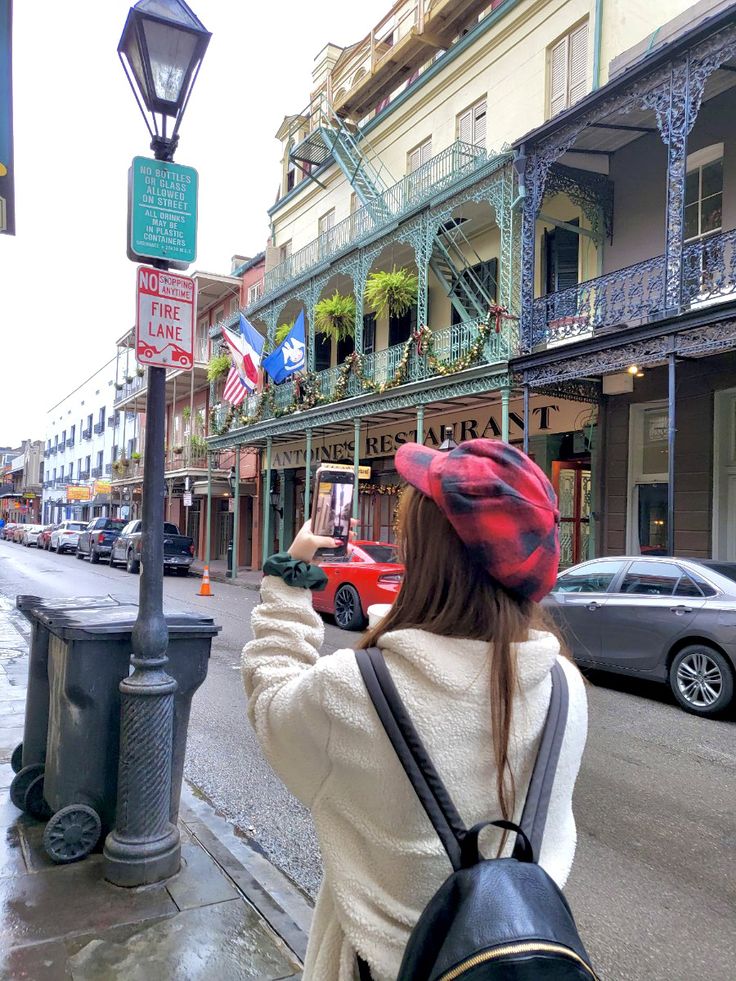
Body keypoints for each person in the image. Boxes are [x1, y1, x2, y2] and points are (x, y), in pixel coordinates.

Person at [242, 439, 588, 981]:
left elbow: (269, 702)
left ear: (426, 553)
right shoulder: (567, 687)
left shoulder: (356, 688)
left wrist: (290, 577)